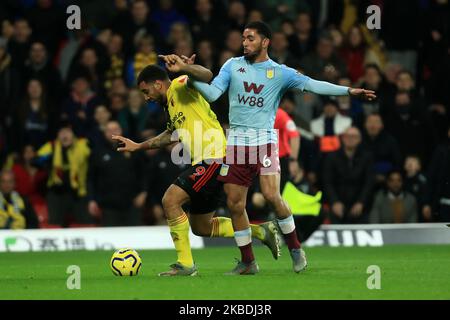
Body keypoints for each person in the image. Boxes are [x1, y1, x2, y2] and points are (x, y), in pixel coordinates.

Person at [178, 21, 376, 274]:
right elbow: (215, 93)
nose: (245, 43)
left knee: (272, 196)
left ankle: (295, 248)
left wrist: (349, 91)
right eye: (243, 38)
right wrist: (191, 80)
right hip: (237, 143)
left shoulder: (280, 72)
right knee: (235, 204)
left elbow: (315, 84)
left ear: (265, 42)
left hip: (265, 142)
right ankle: (248, 261)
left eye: (250, 38)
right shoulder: (232, 65)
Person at [112, 64, 279, 276]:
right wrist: (139, 145)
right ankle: (261, 231)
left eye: (146, 92)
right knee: (202, 227)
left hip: (214, 158)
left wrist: (186, 68)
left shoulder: (181, 85)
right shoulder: (170, 106)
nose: (146, 98)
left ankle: (186, 264)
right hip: (205, 162)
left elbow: (207, 75)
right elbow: (170, 135)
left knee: (170, 200)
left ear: (158, 84)